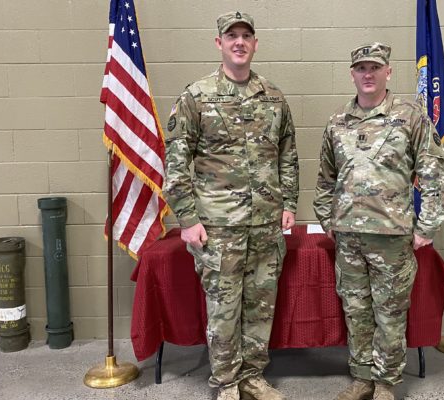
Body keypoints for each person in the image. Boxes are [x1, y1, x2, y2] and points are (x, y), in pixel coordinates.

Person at [163, 11, 299, 400]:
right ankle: (226, 383)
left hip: (266, 224)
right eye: (231, 36)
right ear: (219, 43)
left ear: (255, 44)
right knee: (224, 310)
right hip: (218, 226)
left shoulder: (273, 97)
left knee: (260, 307)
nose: (239, 42)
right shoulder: (196, 97)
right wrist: (187, 218)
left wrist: (289, 202)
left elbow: (287, 155)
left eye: (246, 36)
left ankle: (252, 376)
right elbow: (176, 162)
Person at [313, 42, 444, 400]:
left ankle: (386, 383)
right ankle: (362, 378)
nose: (368, 74)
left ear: (388, 71)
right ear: (352, 74)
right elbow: (326, 178)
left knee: (389, 313)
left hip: (391, 238)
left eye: (375, 67)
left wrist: (427, 226)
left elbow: (433, 172)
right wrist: (328, 220)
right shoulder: (338, 121)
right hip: (348, 237)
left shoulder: (410, 117)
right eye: (361, 68)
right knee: (356, 310)